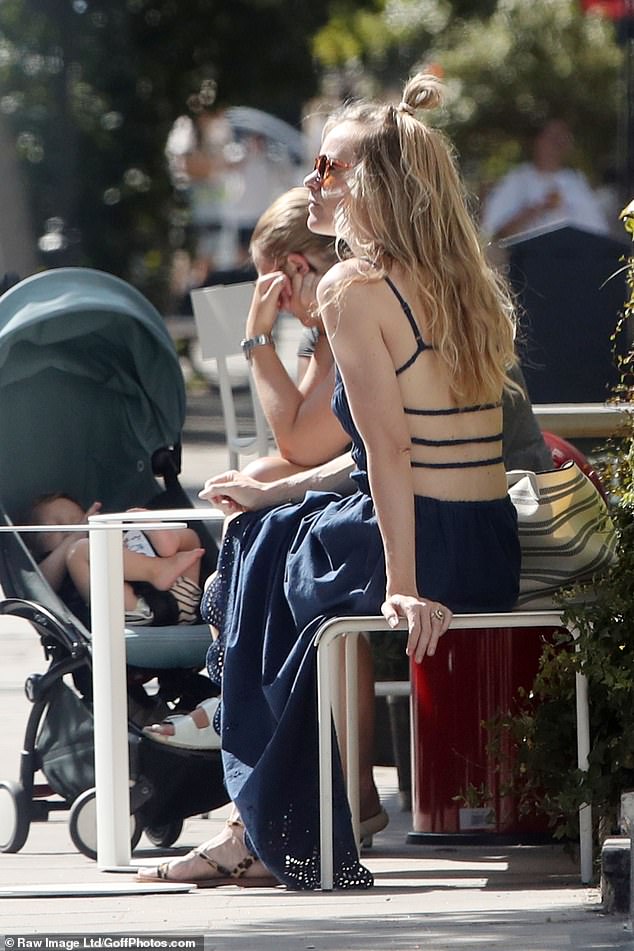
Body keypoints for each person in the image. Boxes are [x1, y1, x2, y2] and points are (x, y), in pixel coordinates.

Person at [137, 71, 521, 891]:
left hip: (427, 553)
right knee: (270, 529)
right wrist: (278, 488)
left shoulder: (353, 286)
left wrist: (408, 585)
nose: (311, 182)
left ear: (377, 185)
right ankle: (278, 800)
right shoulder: (466, 280)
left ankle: (268, 820)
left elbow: (388, 452)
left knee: (254, 555)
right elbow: (407, 445)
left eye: (329, 169)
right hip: (487, 541)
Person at [28, 493, 204, 626]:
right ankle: (157, 570)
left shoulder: (111, 539)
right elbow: (39, 586)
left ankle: (167, 543)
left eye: (77, 520)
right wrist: (74, 537)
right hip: (134, 611)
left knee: (190, 538)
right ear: (35, 544)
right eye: (56, 526)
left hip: (183, 597)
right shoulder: (52, 567)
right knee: (80, 550)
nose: (69, 529)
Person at [480, 118, 609, 244]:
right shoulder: (517, 180)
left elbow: (598, 233)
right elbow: (495, 234)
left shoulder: (577, 182)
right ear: (538, 141)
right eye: (552, 138)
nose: (557, 144)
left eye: (563, 139)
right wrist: (538, 209)